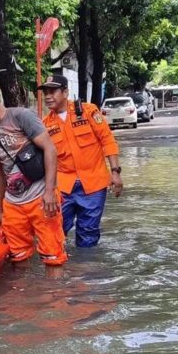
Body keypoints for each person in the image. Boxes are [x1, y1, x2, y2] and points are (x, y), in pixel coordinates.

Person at [0, 86, 67, 266]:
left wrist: (50, 191)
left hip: (40, 196)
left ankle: (55, 292)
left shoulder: (21, 117)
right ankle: (22, 293)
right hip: (13, 203)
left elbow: (50, 148)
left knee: (53, 256)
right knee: (17, 256)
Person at [40, 74, 123, 247]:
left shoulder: (88, 111)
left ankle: (86, 270)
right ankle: (56, 268)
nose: (48, 96)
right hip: (63, 187)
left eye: (52, 91)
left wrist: (115, 172)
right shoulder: (44, 125)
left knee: (88, 233)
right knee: (55, 230)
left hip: (93, 184)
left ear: (65, 92)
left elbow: (107, 140)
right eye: (45, 92)